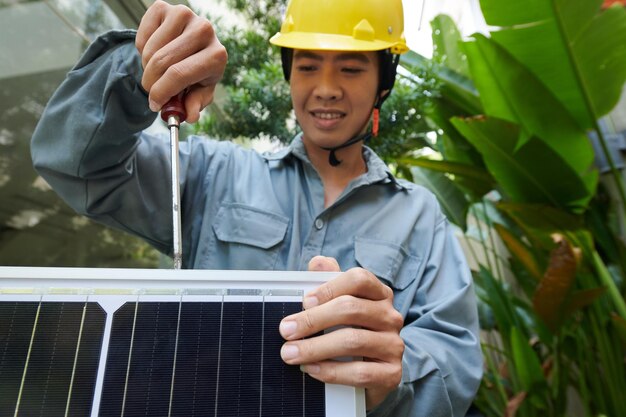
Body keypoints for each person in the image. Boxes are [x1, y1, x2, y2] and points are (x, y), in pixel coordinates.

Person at [30, 0, 482, 415]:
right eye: (307, 65)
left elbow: (455, 361)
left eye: (349, 68)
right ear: (289, 73)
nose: (325, 89)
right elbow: (74, 164)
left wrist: (390, 381)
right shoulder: (215, 173)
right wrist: (145, 62)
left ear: (384, 79)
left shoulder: (420, 215)